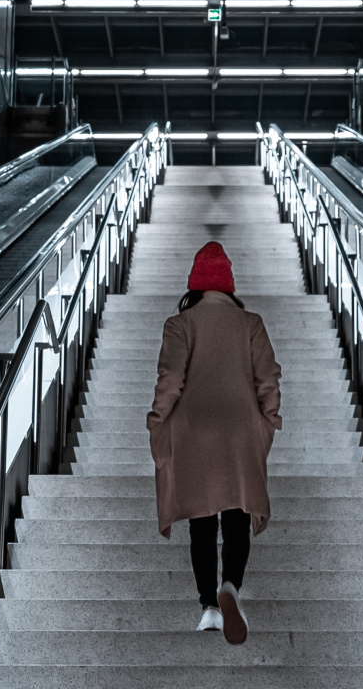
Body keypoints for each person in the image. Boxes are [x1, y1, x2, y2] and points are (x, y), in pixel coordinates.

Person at [145, 241, 282, 645]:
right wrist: (267, 423)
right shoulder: (250, 323)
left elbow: (170, 381)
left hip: (193, 432)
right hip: (240, 430)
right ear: (229, 286)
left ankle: (208, 607)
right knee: (237, 517)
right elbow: (269, 382)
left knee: (202, 523)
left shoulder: (180, 325)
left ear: (195, 286)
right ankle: (231, 588)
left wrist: (157, 422)